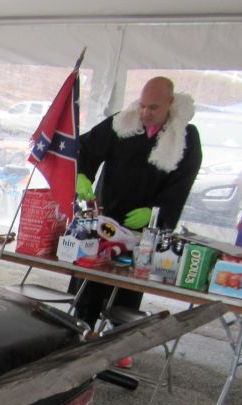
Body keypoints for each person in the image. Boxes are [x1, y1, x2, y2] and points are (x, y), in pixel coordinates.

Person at [72, 76, 203, 368]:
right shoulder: (123, 123)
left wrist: (156, 212)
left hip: (144, 227)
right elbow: (86, 148)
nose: (145, 113)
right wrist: (82, 175)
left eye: (153, 107)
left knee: (129, 286)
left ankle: (120, 342)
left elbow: (182, 184)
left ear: (170, 102)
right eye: (142, 105)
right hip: (106, 218)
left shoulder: (185, 137)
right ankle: (80, 333)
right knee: (90, 279)